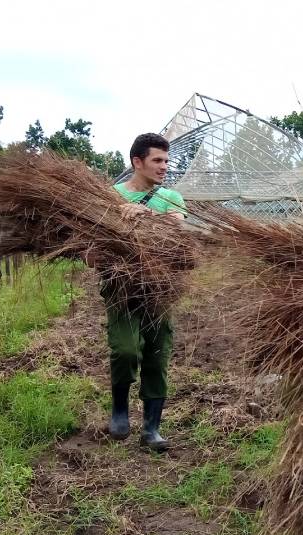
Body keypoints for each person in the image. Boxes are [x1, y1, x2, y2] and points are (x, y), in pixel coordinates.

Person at [101, 133, 187, 452]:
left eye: (166, 160)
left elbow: (177, 227)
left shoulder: (171, 198)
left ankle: (152, 428)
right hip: (120, 285)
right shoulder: (110, 196)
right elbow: (96, 236)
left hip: (160, 287)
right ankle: (120, 409)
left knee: (157, 353)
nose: (164, 167)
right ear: (137, 162)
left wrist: (147, 215)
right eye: (157, 161)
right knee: (124, 348)